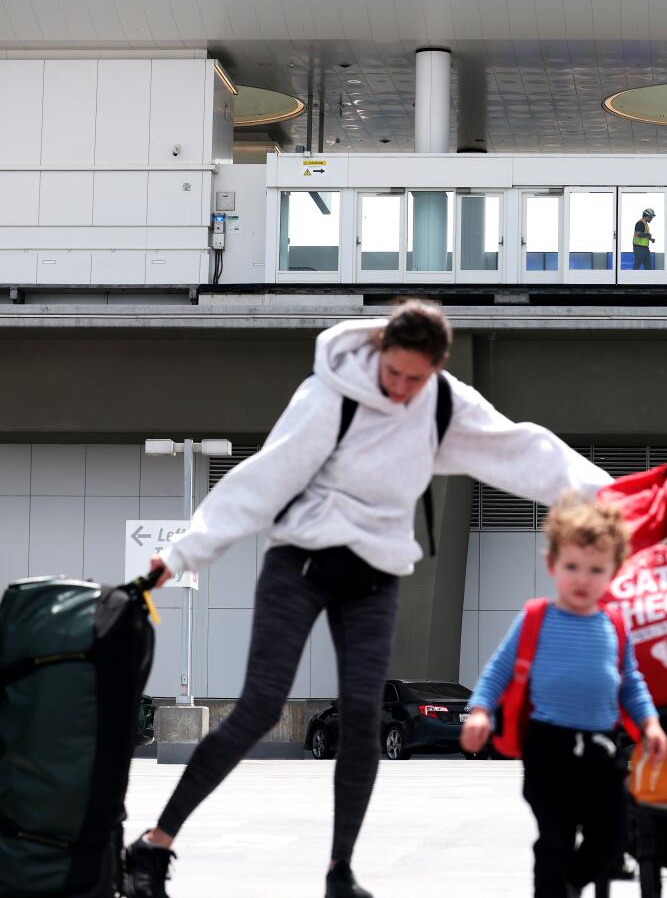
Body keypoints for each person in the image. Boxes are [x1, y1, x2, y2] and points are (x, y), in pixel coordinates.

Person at [125, 300, 612, 898]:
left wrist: (615, 498)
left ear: (437, 368)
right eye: (395, 374)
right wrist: (182, 554)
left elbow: (524, 451)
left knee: (363, 720)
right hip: (300, 564)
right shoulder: (331, 396)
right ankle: (155, 845)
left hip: (374, 576)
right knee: (257, 706)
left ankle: (340, 873)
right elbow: (263, 477)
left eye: (417, 378)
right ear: (379, 350)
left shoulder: (439, 403)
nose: (403, 390)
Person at [461, 496, 667, 898]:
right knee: (554, 840)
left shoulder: (615, 625)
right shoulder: (536, 618)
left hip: (601, 749)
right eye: (572, 567)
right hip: (548, 748)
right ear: (552, 565)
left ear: (613, 573)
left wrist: (651, 723)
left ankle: (569, 885)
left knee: (612, 838)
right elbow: (497, 670)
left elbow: (631, 682)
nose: (582, 579)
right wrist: (480, 712)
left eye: (595, 570)